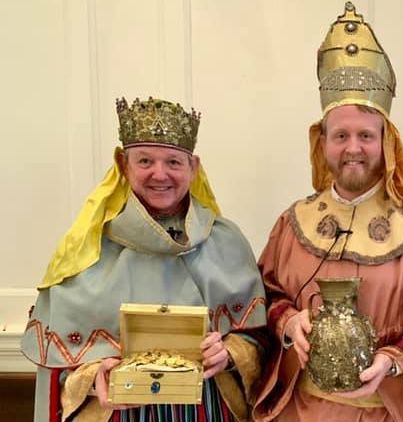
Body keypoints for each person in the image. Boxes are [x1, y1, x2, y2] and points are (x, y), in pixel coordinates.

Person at [251, 3, 403, 421]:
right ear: (322, 143)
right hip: (302, 411)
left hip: (389, 410)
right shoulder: (293, 223)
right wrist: (288, 323)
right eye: (340, 135)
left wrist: (396, 360)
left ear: (386, 142)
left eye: (365, 135)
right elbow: (262, 297)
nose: (353, 148)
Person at [21, 97, 267, 421]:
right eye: (145, 161)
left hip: (207, 408)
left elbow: (261, 337)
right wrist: (93, 377)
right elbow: (58, 362)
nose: (159, 174)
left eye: (173, 162)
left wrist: (229, 354)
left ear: (193, 167)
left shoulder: (226, 241)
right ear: (124, 165)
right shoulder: (86, 249)